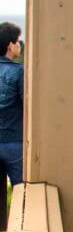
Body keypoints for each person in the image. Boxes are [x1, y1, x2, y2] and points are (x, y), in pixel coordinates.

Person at [0, 22, 24, 185]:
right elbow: (27, 105)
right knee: (22, 190)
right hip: (13, 143)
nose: (19, 45)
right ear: (10, 45)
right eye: (18, 41)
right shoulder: (19, 71)